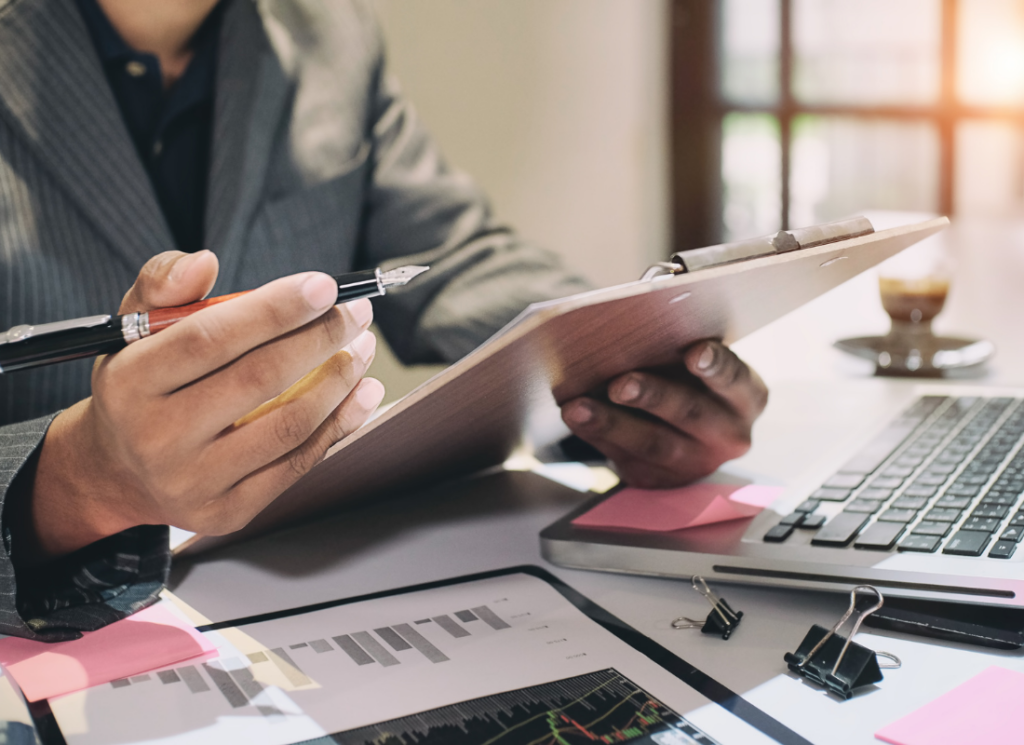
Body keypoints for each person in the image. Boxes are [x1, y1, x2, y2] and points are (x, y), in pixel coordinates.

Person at [0, 0, 768, 641]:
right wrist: (80, 484)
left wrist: (631, 355)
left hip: (289, 614)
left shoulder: (327, 30)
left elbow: (454, 257)